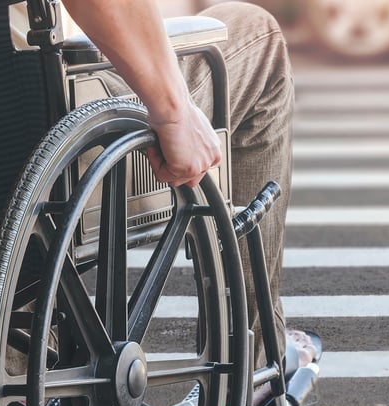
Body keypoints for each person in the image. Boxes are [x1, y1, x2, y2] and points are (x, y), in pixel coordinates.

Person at [54, 0, 317, 371]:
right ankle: (249, 367)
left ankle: (20, 369)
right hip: (66, 132)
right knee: (259, 35)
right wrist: (173, 109)